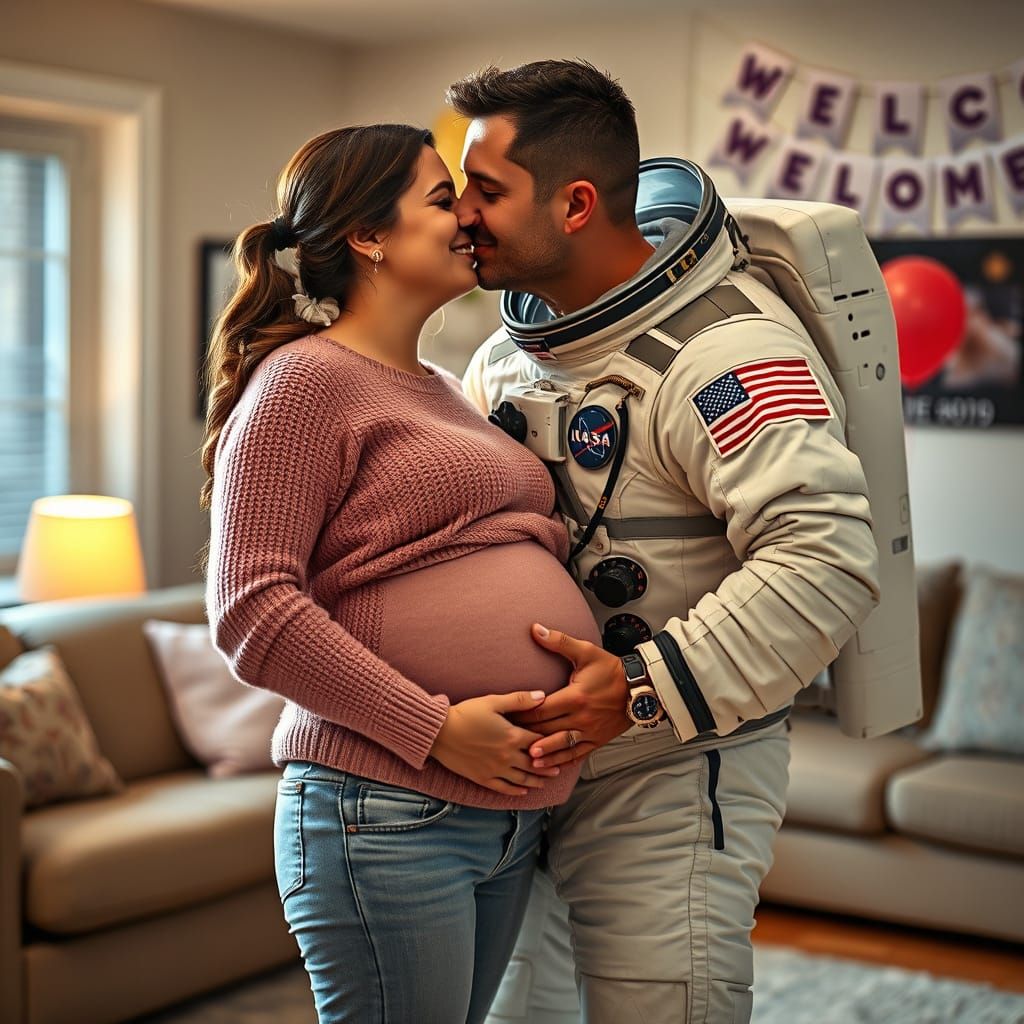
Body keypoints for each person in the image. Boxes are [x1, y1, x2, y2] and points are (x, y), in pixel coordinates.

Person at [449, 61, 881, 1024]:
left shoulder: (727, 354)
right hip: (530, 765)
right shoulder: (504, 360)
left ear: (575, 204)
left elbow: (825, 558)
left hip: (671, 768)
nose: (461, 213)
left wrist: (640, 689)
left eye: (487, 189)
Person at [199, 124, 601, 1024]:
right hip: (382, 809)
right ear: (369, 236)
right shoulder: (303, 382)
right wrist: (434, 729)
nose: (468, 217)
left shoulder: (444, 387)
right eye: (441, 198)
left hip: (503, 814)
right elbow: (250, 611)